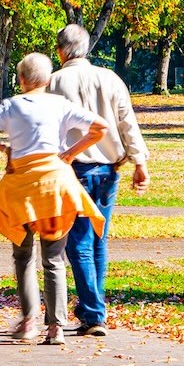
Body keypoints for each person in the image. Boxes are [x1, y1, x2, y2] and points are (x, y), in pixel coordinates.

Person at [0, 52, 110, 345]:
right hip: (54, 186)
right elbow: (100, 128)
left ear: (21, 79)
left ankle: (28, 320)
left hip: (21, 187)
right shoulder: (60, 104)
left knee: (23, 256)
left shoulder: (10, 106)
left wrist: (3, 149)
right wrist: (70, 153)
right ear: (48, 79)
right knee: (54, 258)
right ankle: (56, 327)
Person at [48, 22, 151, 336]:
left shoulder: (53, 83)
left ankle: (94, 314)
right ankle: (94, 308)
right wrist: (140, 161)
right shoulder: (110, 79)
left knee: (78, 242)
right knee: (98, 239)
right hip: (108, 169)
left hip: (73, 169)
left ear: (60, 51)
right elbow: (127, 123)